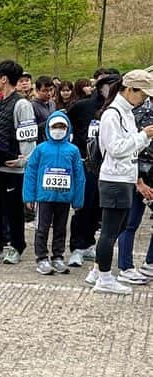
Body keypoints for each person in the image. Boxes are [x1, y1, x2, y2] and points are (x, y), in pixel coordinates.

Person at [86, 70, 153, 294]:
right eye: (142, 94)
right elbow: (115, 149)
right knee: (110, 230)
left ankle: (97, 270)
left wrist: (143, 138)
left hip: (124, 177)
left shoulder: (127, 112)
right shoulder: (113, 114)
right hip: (114, 178)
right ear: (129, 89)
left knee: (118, 227)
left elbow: (130, 148)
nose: (144, 99)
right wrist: (143, 135)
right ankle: (104, 278)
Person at [0, 60, 37, 265]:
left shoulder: (22, 105)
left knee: (13, 210)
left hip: (12, 169)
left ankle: (16, 246)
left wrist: (23, 160)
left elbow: (29, 136)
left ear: (4, 79)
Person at [22, 112, 86, 275]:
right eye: (54, 127)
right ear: (48, 128)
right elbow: (31, 172)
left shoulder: (73, 150)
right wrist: (29, 196)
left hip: (64, 198)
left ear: (67, 128)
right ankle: (41, 258)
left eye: (62, 127)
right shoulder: (40, 149)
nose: (58, 130)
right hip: (44, 197)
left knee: (61, 228)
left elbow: (79, 176)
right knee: (42, 228)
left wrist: (78, 199)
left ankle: (58, 256)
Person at [67, 73, 120, 266]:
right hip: (86, 165)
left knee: (99, 209)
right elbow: (65, 123)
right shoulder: (83, 106)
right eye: (110, 85)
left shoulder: (117, 110)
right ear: (101, 87)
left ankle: (88, 243)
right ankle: (76, 248)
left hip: (109, 167)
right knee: (84, 207)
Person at [115, 93, 153, 282]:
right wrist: (139, 181)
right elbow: (131, 149)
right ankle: (125, 267)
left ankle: (150, 263)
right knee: (129, 224)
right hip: (138, 176)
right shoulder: (137, 113)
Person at [31, 76, 57, 141]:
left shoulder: (52, 103)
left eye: (51, 90)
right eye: (45, 91)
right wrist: (50, 121)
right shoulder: (32, 105)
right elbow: (32, 128)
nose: (49, 93)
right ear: (37, 90)